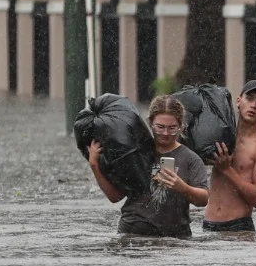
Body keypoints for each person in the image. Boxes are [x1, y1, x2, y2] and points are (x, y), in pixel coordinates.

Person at [87, 95, 210, 237]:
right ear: (150, 122)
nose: (165, 133)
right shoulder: (135, 152)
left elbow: (203, 200)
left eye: (172, 128)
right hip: (132, 233)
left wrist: (182, 187)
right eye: (160, 127)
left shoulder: (191, 159)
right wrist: (94, 165)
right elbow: (115, 197)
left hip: (175, 237)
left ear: (181, 126)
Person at [203, 79, 256, 235]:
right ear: (238, 101)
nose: (254, 106)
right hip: (207, 226)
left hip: (238, 228)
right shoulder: (219, 135)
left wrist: (227, 170)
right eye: (250, 99)